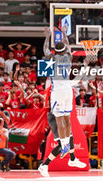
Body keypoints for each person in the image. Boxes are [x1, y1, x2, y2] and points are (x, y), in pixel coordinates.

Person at [43, 25, 73, 158]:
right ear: (64, 50)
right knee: (67, 118)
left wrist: (47, 36)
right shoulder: (68, 57)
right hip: (68, 89)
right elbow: (67, 45)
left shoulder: (52, 58)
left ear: (55, 50)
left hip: (58, 91)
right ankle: (67, 145)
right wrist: (65, 33)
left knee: (59, 119)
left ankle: (64, 145)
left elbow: (45, 50)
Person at [38, 107, 86, 177]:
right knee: (62, 145)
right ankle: (44, 165)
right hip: (56, 116)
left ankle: (72, 159)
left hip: (63, 116)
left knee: (70, 138)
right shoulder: (56, 97)